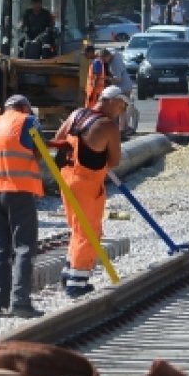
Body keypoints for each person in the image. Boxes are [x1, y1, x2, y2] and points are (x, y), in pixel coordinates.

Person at [52, 85, 128, 298]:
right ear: (111, 101)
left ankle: (69, 271)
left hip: (66, 177)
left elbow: (59, 139)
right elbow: (113, 161)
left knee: (76, 227)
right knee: (89, 231)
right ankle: (77, 282)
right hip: (87, 183)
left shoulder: (77, 114)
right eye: (121, 106)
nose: (121, 112)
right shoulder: (107, 126)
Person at [0, 94, 45, 319]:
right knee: (24, 247)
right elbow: (39, 151)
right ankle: (20, 302)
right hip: (18, 189)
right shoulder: (27, 121)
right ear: (23, 107)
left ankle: (0, 304)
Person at [102, 48, 138, 137]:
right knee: (123, 108)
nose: (104, 62)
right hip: (125, 86)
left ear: (107, 56)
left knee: (122, 109)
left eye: (103, 59)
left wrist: (106, 78)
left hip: (123, 88)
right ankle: (124, 128)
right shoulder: (116, 55)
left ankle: (123, 129)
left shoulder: (114, 64)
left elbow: (118, 79)